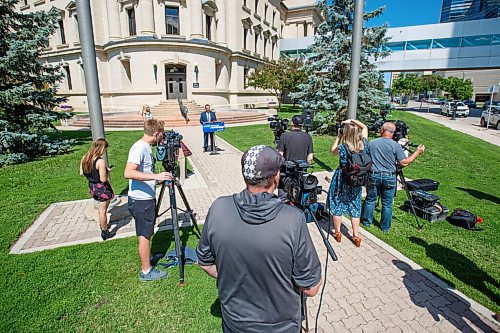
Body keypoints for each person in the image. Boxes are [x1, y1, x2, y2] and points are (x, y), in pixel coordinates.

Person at [197, 145, 322, 333]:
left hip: (234, 321)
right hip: (281, 326)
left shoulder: (219, 207)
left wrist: (237, 279)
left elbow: (205, 262)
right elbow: (310, 288)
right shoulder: (293, 219)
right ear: (276, 177)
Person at [124, 119, 172, 281]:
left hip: (144, 198)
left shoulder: (145, 147)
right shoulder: (140, 147)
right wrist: (155, 176)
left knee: (146, 234)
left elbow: (144, 173)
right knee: (145, 235)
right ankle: (146, 271)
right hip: (141, 201)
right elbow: (128, 172)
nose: (162, 138)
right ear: (157, 133)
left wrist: (158, 179)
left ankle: (148, 258)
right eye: (162, 135)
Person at [362, 122, 425, 233]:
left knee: (370, 199)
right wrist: (417, 153)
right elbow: (404, 163)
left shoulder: (372, 143)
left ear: (382, 130)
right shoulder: (395, 145)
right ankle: (385, 228)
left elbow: (365, 158)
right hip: (389, 177)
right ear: (393, 133)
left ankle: (366, 222)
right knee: (387, 203)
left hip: (373, 175)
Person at [328, 119, 369, 247]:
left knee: (337, 203)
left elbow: (332, 150)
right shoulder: (364, 144)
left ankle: (338, 233)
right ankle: (356, 235)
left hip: (342, 178)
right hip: (356, 180)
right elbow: (365, 127)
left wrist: (338, 137)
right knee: (355, 206)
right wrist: (352, 121)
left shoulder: (342, 147)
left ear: (344, 133)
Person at [80, 138, 115, 241]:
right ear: (102, 148)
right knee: (102, 211)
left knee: (101, 209)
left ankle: (102, 225)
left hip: (92, 186)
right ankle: (104, 231)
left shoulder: (84, 158)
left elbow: (82, 173)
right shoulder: (100, 161)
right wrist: (107, 171)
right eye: (105, 149)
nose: (105, 152)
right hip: (101, 188)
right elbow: (103, 179)